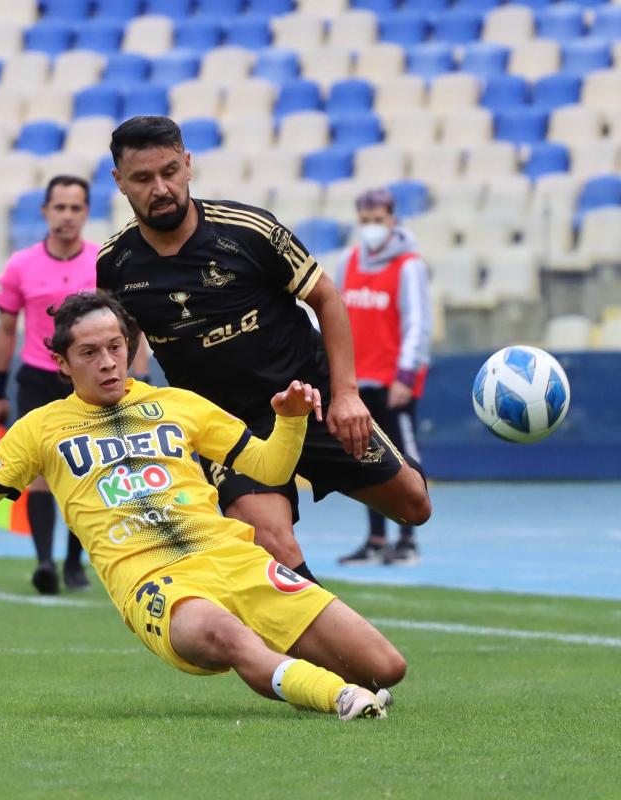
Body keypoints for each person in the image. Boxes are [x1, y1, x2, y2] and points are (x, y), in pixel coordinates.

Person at [0, 292, 404, 722]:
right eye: (90, 352)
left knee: (387, 667)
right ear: (62, 363)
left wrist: (290, 419)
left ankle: (314, 671)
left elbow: (273, 471)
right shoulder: (40, 429)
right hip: (154, 582)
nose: (109, 362)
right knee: (231, 640)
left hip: (233, 559)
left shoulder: (178, 405)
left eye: (117, 347)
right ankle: (340, 699)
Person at [96, 116, 431, 584]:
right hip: (228, 428)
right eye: (143, 179)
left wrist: (348, 394)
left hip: (310, 400)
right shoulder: (116, 265)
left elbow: (327, 298)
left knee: (415, 506)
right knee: (271, 540)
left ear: (188, 165)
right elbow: (116, 350)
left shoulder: (250, 231)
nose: (161, 188)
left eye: (169, 171)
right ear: (119, 183)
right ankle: (324, 647)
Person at [0, 174, 98, 595]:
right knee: (37, 475)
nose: (67, 216)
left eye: (75, 208)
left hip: (86, 379)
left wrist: (133, 376)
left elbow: (125, 327)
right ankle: (44, 564)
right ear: (45, 211)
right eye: (60, 207)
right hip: (36, 376)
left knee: (86, 472)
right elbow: (4, 329)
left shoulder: (101, 262)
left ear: (86, 213)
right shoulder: (21, 265)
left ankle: (74, 563)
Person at [337, 188, 432, 566]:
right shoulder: (349, 260)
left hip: (394, 380)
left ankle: (408, 540)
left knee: (405, 457)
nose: (372, 228)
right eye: (366, 221)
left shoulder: (409, 265)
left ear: (393, 220)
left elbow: (418, 323)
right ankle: (376, 539)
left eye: (379, 220)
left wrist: (405, 376)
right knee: (365, 458)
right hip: (358, 382)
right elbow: (337, 313)